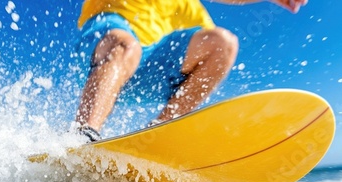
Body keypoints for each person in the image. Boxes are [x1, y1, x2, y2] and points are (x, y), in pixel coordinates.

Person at [74, 0, 308, 142]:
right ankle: (83, 136)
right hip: (104, 51)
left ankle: (156, 135)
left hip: (150, 69)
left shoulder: (189, 7)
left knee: (223, 43)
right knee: (127, 46)